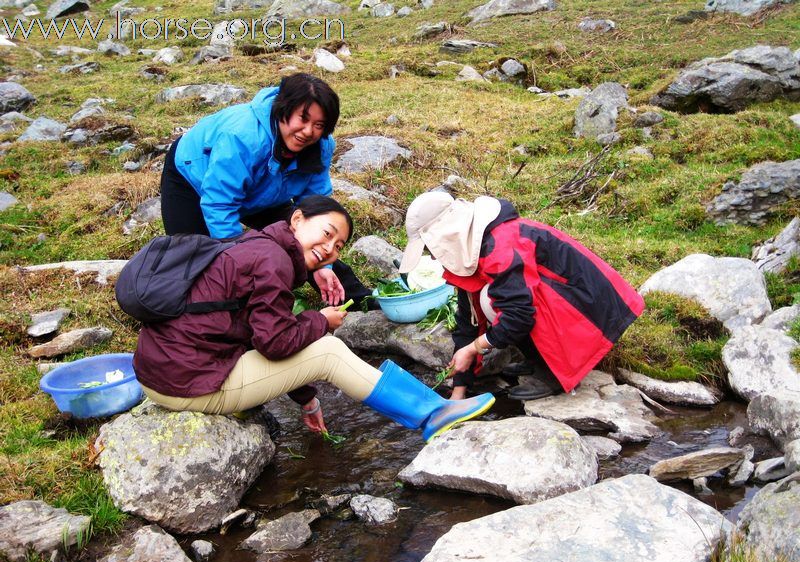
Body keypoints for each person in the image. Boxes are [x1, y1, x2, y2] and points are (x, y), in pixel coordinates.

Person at [133, 196, 495, 441]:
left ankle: (432, 408)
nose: (329, 249)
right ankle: (432, 414)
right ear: (297, 219)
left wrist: (307, 400)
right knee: (328, 352)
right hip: (186, 383)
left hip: (169, 371)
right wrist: (320, 321)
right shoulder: (272, 260)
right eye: (327, 233)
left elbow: (261, 335)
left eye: (338, 247)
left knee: (315, 344)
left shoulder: (259, 247)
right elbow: (275, 344)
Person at [398, 192, 645, 401]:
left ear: (446, 234)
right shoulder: (472, 250)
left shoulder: (501, 245)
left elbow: (519, 315)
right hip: (569, 304)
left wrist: (474, 349)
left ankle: (551, 373)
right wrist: (459, 390)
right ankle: (537, 359)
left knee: (495, 301)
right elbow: (468, 320)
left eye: (431, 248)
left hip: (593, 309)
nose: (432, 256)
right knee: (489, 299)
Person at [159, 72, 372, 308]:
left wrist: (323, 266)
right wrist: (242, 261)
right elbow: (219, 204)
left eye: (319, 125)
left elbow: (317, 211)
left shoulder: (320, 146)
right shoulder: (243, 136)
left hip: (263, 192)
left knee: (311, 236)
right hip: (192, 177)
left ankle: (360, 299)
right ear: (284, 109)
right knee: (194, 256)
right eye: (302, 118)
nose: (308, 131)